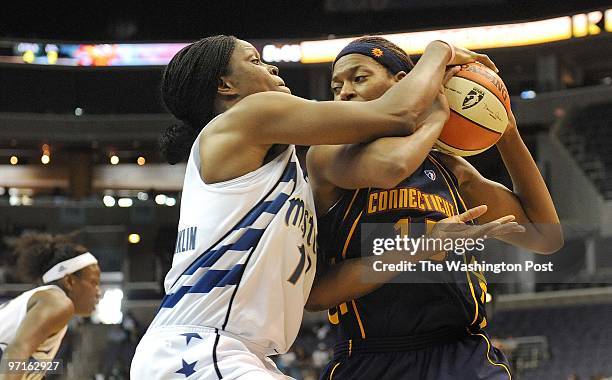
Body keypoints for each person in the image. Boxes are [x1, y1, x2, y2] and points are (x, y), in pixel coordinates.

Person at [129, 35, 497, 379]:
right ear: (226, 86)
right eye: (255, 61)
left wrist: (413, 251)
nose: (271, 69)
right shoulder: (249, 115)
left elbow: (317, 292)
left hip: (239, 354)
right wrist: (438, 52)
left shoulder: (280, 172)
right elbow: (398, 114)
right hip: (200, 351)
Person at [305, 36, 563, 379]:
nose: (344, 93)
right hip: (371, 359)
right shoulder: (327, 157)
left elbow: (546, 238)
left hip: (462, 355)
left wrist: (506, 131)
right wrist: (435, 115)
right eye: (336, 86)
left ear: (403, 83)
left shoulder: (450, 168)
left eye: (359, 78)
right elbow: (317, 294)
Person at [0, 232, 101, 380]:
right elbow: (15, 351)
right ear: (69, 281)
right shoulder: (57, 301)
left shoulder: (47, 303)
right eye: (94, 282)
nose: (98, 292)